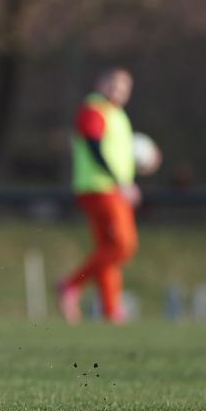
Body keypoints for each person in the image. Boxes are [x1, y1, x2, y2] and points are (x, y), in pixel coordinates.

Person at [60, 68, 140, 324]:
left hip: (112, 188)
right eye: (114, 85)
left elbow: (118, 152)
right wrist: (120, 182)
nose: (119, 91)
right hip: (100, 188)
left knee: (107, 249)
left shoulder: (117, 114)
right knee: (123, 245)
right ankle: (71, 284)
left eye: (124, 87)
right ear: (101, 83)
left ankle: (111, 310)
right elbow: (95, 146)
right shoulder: (94, 109)